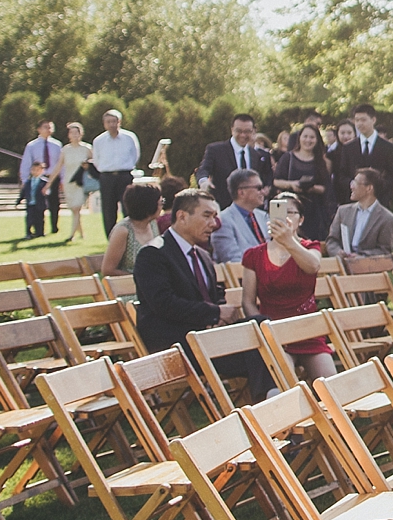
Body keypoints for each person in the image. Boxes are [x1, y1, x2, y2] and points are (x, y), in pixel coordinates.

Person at [132, 187, 269, 401]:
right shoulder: (153, 253)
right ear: (182, 217)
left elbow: (215, 296)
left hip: (208, 338)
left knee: (261, 330)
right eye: (207, 216)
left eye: (215, 216)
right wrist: (214, 313)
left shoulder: (203, 256)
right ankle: (272, 404)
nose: (214, 224)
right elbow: (164, 304)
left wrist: (219, 315)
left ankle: (271, 401)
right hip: (175, 344)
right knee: (259, 348)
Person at [239, 192, 338, 383]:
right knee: (285, 385)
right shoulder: (254, 255)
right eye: (278, 212)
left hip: (307, 331)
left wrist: (289, 241)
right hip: (274, 332)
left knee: (332, 384)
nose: (284, 217)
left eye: (290, 212)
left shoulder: (311, 247)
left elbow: (313, 266)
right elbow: (248, 302)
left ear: (300, 220)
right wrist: (263, 330)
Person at [326, 167, 393, 262]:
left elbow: (384, 251)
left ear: (369, 188)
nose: (351, 186)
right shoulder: (343, 211)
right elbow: (332, 240)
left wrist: (362, 257)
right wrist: (338, 252)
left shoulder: (387, 219)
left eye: (355, 183)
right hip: (341, 267)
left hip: (367, 270)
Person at [273, 126, 332, 238]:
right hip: (290, 208)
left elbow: (326, 187)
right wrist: (292, 184)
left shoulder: (320, 161)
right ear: (299, 138)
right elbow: (276, 181)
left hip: (313, 210)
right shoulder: (288, 158)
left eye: (312, 137)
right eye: (305, 136)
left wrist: (311, 188)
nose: (308, 140)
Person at [199, 113, 274, 198]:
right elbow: (204, 169)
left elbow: (267, 177)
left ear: (253, 131)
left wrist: (266, 188)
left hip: (250, 207)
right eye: (239, 131)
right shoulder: (216, 150)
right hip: (224, 205)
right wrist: (204, 181)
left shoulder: (257, 155)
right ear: (232, 130)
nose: (242, 135)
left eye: (247, 131)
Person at [92, 110, 142, 236]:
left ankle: (131, 235)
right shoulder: (99, 140)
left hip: (125, 176)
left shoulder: (129, 137)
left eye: (114, 121)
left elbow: (135, 155)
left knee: (128, 206)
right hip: (107, 177)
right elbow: (96, 160)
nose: (112, 124)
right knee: (108, 209)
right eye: (108, 122)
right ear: (104, 124)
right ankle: (111, 238)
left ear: (119, 122)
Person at [208, 169, 271, 264]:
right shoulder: (223, 221)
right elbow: (233, 260)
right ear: (241, 192)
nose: (263, 192)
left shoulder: (264, 217)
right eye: (258, 188)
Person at [102, 182, 163, 274]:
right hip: (128, 285)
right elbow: (108, 270)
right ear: (149, 206)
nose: (162, 207)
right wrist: (139, 278)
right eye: (160, 203)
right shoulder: (123, 231)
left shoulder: (152, 224)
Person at [19, 119, 62, 239]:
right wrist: (24, 180)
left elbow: (60, 163)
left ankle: (54, 226)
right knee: (37, 206)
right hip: (37, 180)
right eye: (45, 127)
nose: (48, 130)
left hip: (52, 178)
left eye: (50, 127)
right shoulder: (32, 145)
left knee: (54, 203)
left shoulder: (57, 145)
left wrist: (62, 179)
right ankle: (36, 228)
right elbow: (26, 163)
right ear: (39, 129)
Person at [54, 122, 95, 243]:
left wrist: (88, 166)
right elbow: (58, 167)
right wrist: (49, 183)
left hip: (81, 183)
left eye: (76, 132)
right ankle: (82, 234)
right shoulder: (65, 150)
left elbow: (95, 164)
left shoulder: (87, 148)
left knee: (77, 208)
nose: (74, 135)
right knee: (74, 210)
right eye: (71, 133)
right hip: (68, 182)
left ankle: (71, 235)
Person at [350, 103, 393, 191]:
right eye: (357, 120)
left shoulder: (389, 148)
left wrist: (379, 185)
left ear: (373, 120)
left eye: (363, 120)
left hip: (380, 197)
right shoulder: (348, 148)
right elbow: (342, 175)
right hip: (355, 199)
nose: (359, 123)